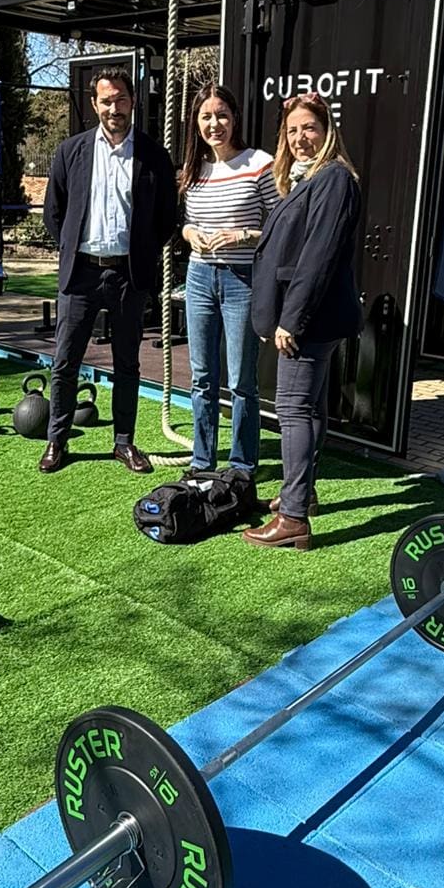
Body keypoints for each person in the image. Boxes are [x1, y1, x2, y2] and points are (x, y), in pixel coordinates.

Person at [40, 67, 178, 474]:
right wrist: (72, 248)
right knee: (65, 362)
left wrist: (142, 254)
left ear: (132, 102)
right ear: (94, 104)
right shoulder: (71, 151)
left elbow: (166, 218)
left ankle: (124, 442)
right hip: (80, 274)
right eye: (106, 101)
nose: (114, 108)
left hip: (128, 276)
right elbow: (54, 213)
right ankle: (56, 441)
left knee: (127, 365)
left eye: (121, 99)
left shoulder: (154, 156)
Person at [243, 92, 362, 551]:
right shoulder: (310, 179)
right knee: (309, 409)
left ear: (327, 130)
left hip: (308, 320)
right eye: (292, 131)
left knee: (293, 410)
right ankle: (301, 495)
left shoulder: (333, 178)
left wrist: (291, 319)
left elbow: (319, 255)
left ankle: (292, 517)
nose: (299, 138)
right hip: (313, 316)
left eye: (308, 127)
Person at [180, 82, 278, 478]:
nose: (214, 124)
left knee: (240, 380)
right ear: (196, 122)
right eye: (206, 116)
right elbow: (187, 223)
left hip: (242, 279)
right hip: (199, 276)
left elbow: (281, 226)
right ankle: (202, 461)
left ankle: (241, 464)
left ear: (234, 118)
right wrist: (191, 234)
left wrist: (243, 236)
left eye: (221, 115)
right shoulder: (194, 168)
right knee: (202, 377)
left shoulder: (259, 163)